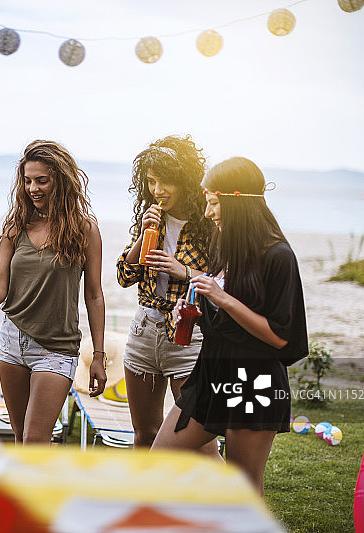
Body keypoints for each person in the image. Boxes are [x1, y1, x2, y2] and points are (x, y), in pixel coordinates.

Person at [152, 156, 308, 496]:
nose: (208, 213)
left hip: (255, 382)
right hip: (211, 374)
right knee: (158, 460)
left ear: (236, 202)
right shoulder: (224, 246)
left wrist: (223, 300)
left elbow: (282, 337)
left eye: (213, 202)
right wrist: (192, 312)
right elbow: (223, 319)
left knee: (244, 489)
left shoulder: (279, 256)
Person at [0, 139, 107, 445]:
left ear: (60, 181)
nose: (33, 188)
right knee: (21, 440)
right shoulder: (15, 227)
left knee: (35, 443)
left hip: (56, 348)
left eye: (42, 181)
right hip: (12, 342)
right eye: (28, 180)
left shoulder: (84, 229)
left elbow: (94, 296)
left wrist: (98, 356)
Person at [115, 135, 217, 453]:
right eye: (151, 182)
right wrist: (140, 238)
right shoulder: (151, 219)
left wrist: (183, 271)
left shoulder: (211, 224)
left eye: (165, 182)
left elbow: (227, 284)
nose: (157, 191)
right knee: (145, 434)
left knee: (198, 440)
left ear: (185, 181)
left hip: (188, 333)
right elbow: (124, 277)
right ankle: (148, 499)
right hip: (145, 330)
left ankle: (204, 501)